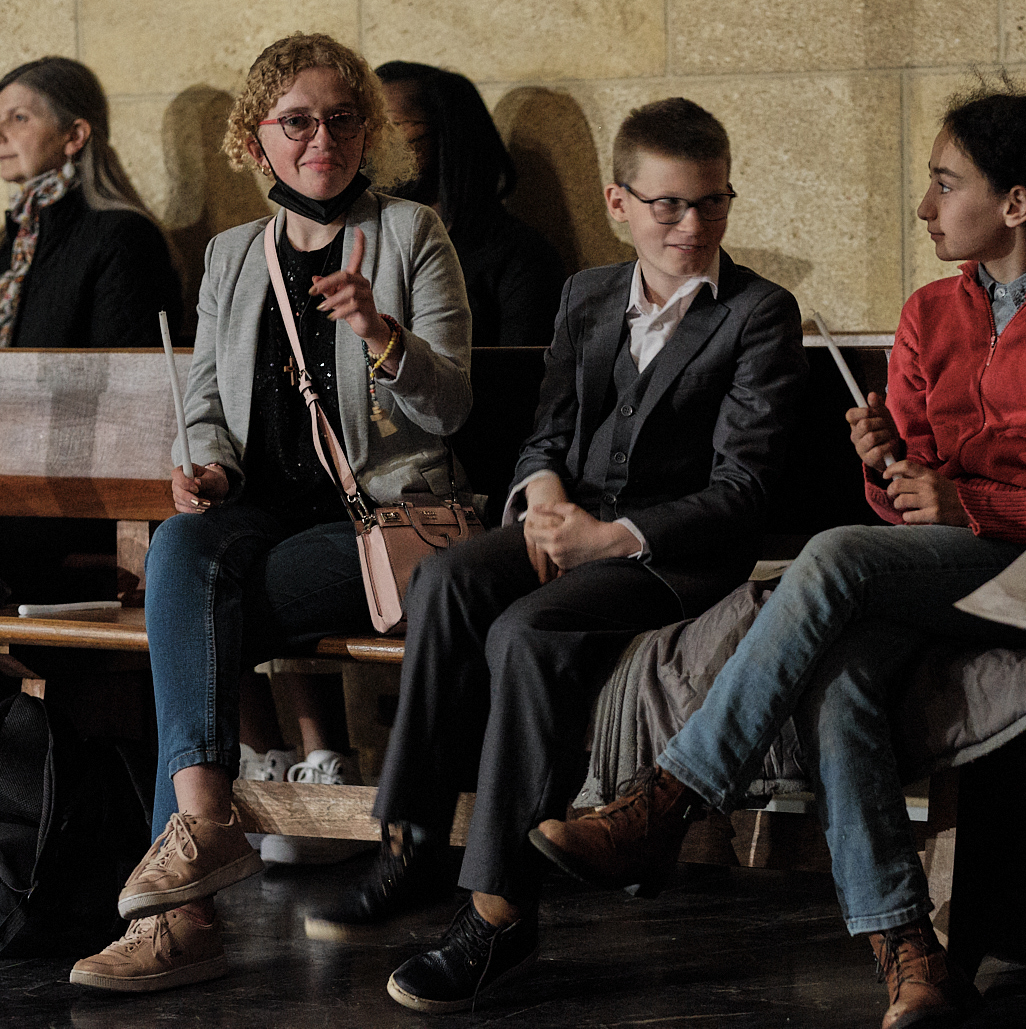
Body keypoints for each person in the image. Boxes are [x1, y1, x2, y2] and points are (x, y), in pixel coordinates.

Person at [532, 85, 1026, 1029]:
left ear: (1015, 203)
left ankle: (669, 798)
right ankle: (910, 953)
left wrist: (972, 503)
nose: (924, 205)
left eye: (944, 183)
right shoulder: (928, 313)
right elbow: (905, 504)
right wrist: (887, 467)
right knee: (837, 678)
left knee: (831, 557)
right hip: (934, 567)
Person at [303, 96, 809, 1014]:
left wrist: (612, 538)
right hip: (575, 525)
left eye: (713, 202)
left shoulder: (759, 313)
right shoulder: (587, 295)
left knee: (526, 634)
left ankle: (499, 911)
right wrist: (541, 498)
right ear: (620, 204)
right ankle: (412, 841)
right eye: (668, 205)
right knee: (448, 576)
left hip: (677, 560)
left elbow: (743, 490)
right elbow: (546, 435)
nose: (692, 225)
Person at [67, 32, 473, 993]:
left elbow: (452, 406)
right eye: (296, 122)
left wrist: (380, 333)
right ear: (257, 140)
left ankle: (182, 911)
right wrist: (206, 467)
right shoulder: (232, 255)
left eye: (340, 119)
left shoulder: (412, 233)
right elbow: (207, 400)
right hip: (263, 514)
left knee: (194, 612)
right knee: (182, 543)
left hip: (380, 525)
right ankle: (205, 833)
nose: (320, 138)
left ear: (366, 132)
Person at [0, 56, 181, 347]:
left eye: (19, 118)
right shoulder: (12, 243)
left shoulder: (125, 238)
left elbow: (129, 367)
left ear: (75, 135)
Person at [375, 61, 567, 345]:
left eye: (393, 124)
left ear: (449, 135)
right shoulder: (370, 236)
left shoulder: (521, 258)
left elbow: (522, 368)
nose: (374, 140)